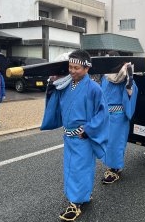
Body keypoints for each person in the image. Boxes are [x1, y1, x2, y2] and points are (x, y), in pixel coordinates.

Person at [40, 50, 109, 221]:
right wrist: (52, 83)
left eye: (76, 68)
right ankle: (83, 195)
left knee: (80, 168)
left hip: (82, 136)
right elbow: (55, 102)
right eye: (70, 67)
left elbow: (102, 113)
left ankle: (75, 204)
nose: (72, 71)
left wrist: (88, 130)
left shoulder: (94, 88)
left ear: (86, 68)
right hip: (68, 135)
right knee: (72, 168)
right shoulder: (66, 85)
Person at [100, 51, 138, 184]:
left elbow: (131, 93)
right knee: (107, 142)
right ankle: (112, 165)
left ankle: (115, 169)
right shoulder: (105, 76)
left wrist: (129, 83)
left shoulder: (125, 75)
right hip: (106, 115)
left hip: (118, 115)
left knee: (116, 142)